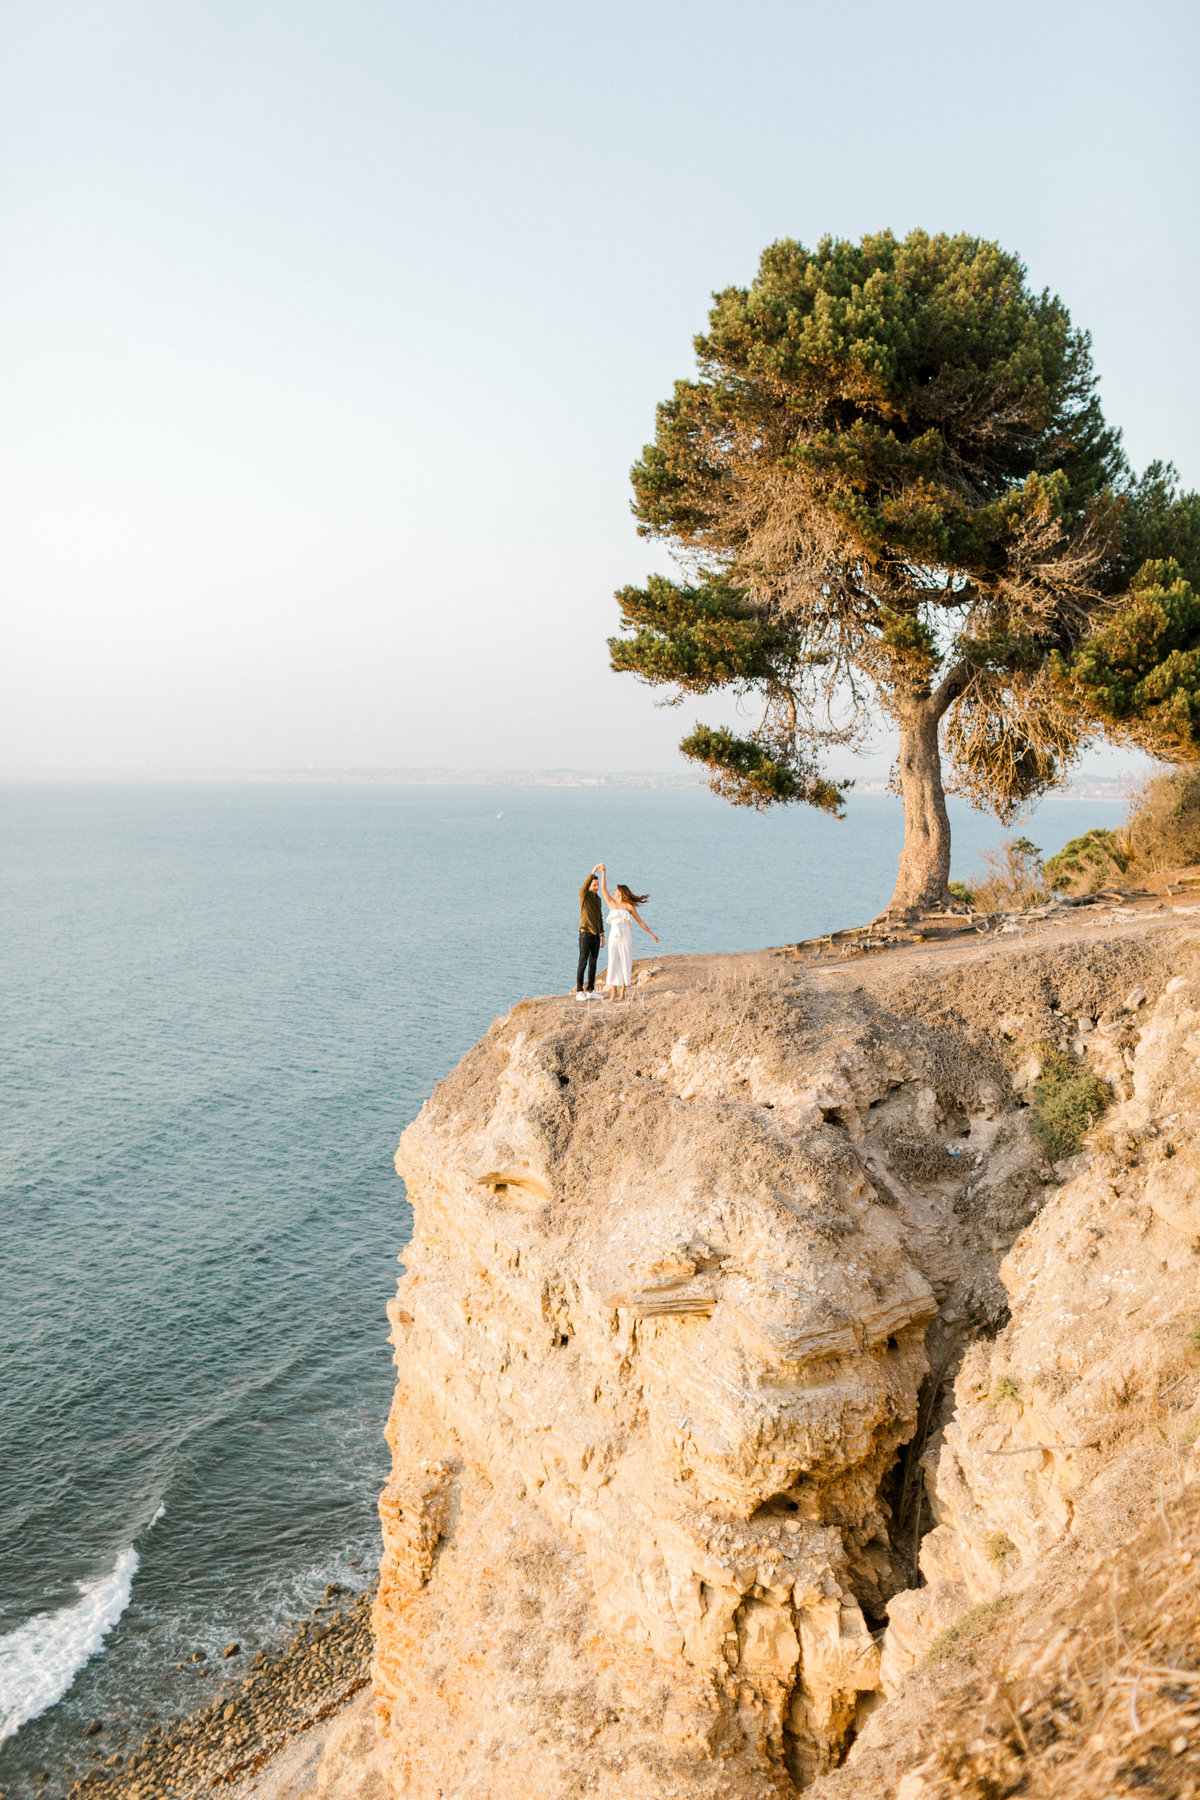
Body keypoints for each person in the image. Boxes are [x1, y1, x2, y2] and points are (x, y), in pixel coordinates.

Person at [597, 864, 658, 1001]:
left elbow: (640, 922)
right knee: (613, 962)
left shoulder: (629, 907)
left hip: (625, 937)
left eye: (616, 890)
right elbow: (603, 888)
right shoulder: (611, 904)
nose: (613, 891)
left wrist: (652, 934)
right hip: (614, 937)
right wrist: (604, 872)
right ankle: (614, 992)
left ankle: (623, 992)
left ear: (621, 892)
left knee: (625, 961)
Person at [575, 867, 605, 1000]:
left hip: (596, 935)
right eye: (594, 885)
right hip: (585, 934)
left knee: (593, 963)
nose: (597, 887)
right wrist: (593, 871)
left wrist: (602, 935)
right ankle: (579, 991)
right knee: (583, 962)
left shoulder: (598, 899)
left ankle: (590, 990)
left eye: (598, 885)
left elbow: (600, 917)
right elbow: (584, 886)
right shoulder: (584, 896)